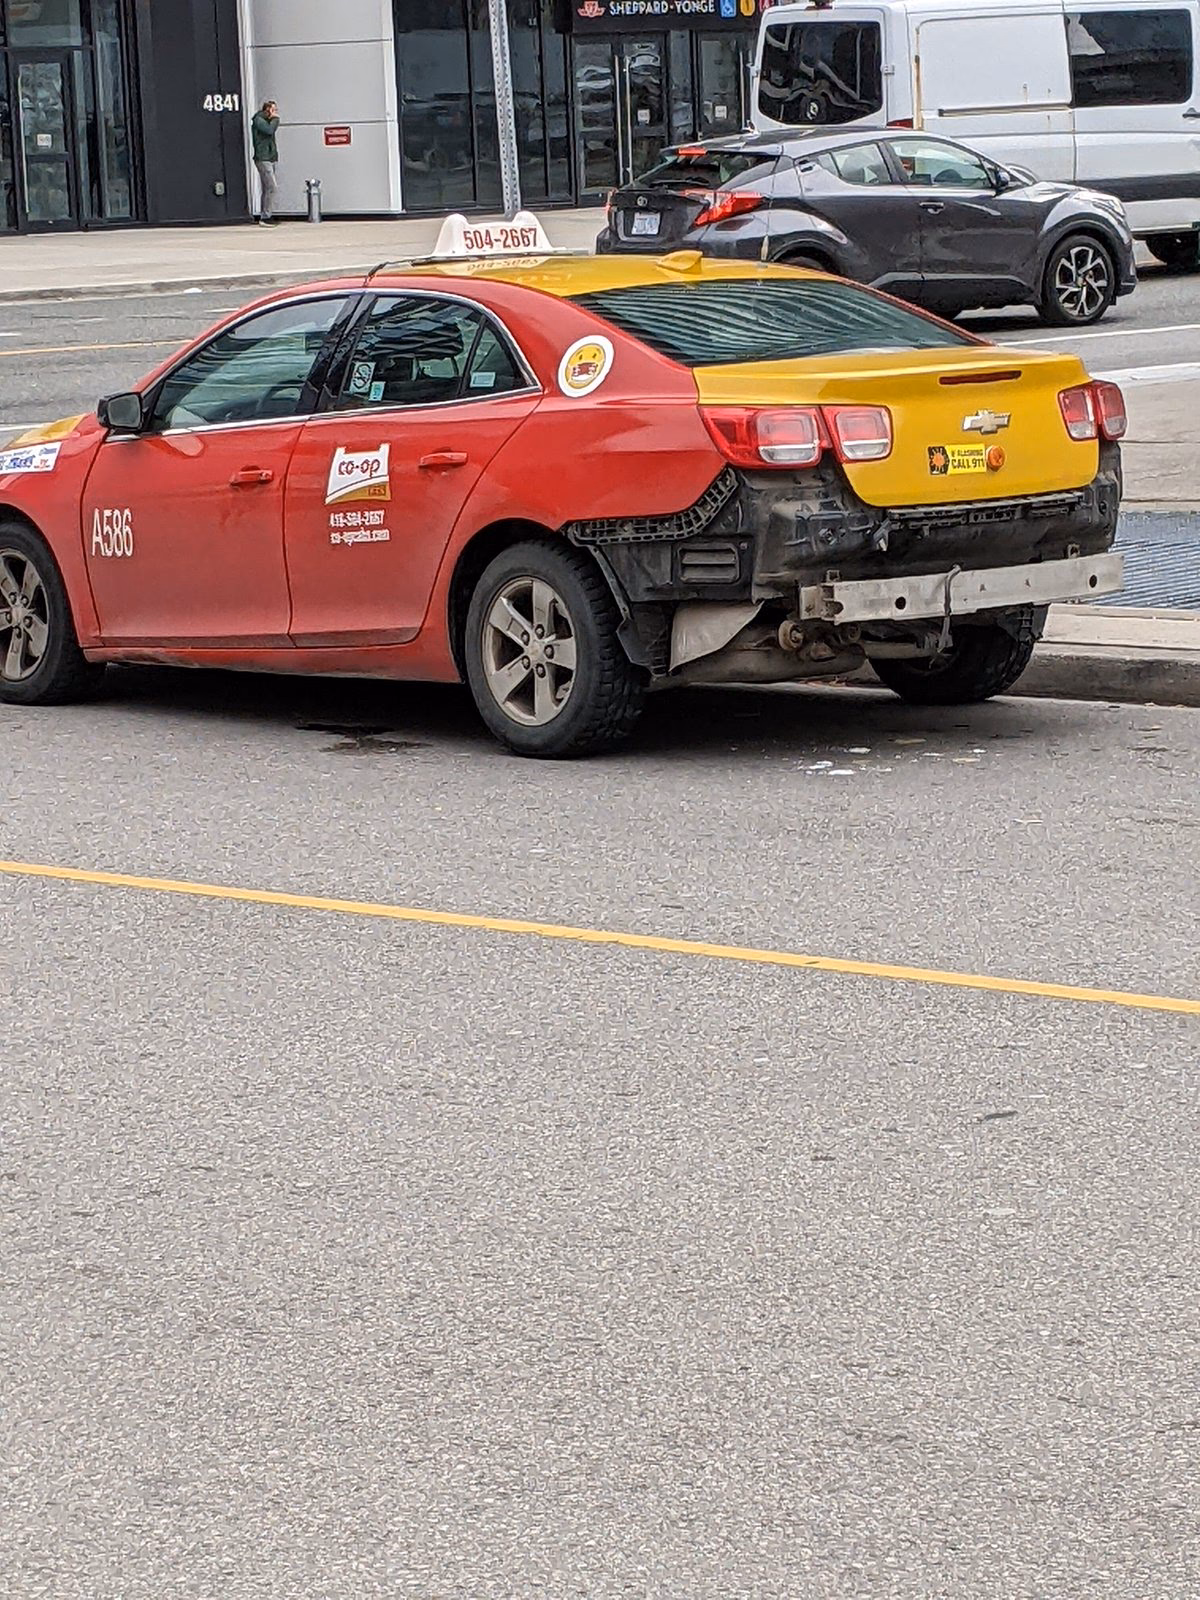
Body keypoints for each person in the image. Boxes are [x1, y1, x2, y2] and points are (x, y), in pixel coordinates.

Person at [251, 100, 280, 226]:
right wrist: (275, 119)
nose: (275, 112)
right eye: (273, 110)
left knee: (267, 188)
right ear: (267, 110)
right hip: (263, 158)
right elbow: (269, 130)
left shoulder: (266, 121)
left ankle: (266, 214)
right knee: (272, 187)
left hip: (270, 157)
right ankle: (265, 216)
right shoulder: (259, 120)